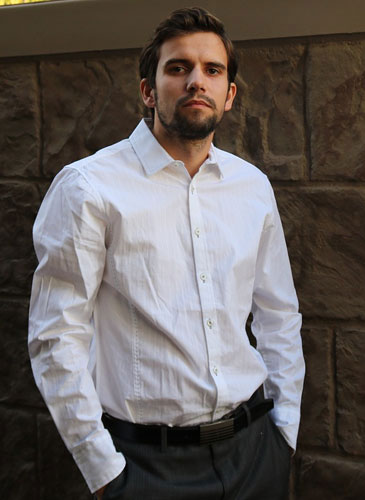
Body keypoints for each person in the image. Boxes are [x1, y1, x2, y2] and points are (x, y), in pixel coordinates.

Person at [28, 7, 305, 500]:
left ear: (229, 94)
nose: (196, 80)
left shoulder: (252, 187)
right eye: (178, 68)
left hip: (255, 454)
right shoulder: (88, 188)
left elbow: (278, 315)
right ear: (148, 91)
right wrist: (105, 474)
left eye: (212, 70)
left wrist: (284, 432)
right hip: (145, 468)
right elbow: (56, 337)